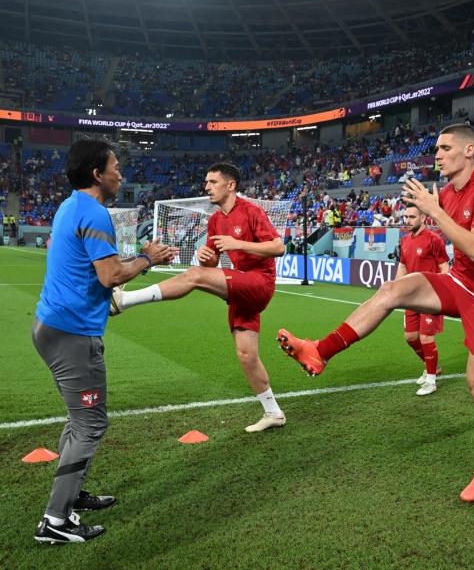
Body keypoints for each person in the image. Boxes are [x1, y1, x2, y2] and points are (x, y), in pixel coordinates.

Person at [276, 124, 474, 502]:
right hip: (459, 283)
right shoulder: (447, 193)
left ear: (470, 152)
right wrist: (435, 208)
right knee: (391, 291)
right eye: (436, 147)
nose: (437, 154)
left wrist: (434, 211)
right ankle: (320, 351)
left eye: (445, 147)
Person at [33, 139, 177, 543]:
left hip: (53, 327)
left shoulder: (70, 206)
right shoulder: (94, 212)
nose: (121, 173)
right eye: (116, 166)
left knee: (77, 420)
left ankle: (72, 495)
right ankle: (55, 521)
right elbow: (110, 276)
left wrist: (137, 263)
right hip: (73, 335)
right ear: (97, 173)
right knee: (90, 424)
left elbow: (99, 269)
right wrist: (149, 258)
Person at [110, 162, 288, 433]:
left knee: (193, 276)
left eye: (212, 182)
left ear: (231, 185)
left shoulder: (252, 211)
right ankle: (273, 412)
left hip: (259, 283)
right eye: (206, 182)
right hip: (239, 284)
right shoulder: (216, 219)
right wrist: (210, 257)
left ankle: (126, 300)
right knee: (246, 355)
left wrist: (236, 244)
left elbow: (278, 246)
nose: (206, 187)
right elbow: (210, 264)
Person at [396, 205, 450, 396]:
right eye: (405, 217)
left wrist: (443, 294)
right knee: (411, 338)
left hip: (430, 298)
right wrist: (396, 290)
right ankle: (431, 367)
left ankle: (431, 381)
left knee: (426, 337)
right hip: (412, 298)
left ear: (423, 217)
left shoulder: (434, 239)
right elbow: (402, 266)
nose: (407, 220)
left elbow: (445, 268)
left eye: (411, 217)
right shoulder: (405, 240)